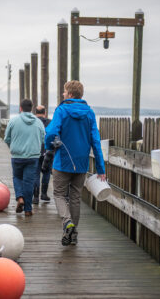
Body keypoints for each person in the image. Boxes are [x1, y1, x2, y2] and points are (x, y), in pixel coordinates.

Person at [44, 81, 106, 246]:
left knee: (58, 194)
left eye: (64, 92)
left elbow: (50, 132)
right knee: (76, 197)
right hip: (81, 164)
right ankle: (73, 235)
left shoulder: (62, 110)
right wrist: (100, 168)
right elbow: (96, 142)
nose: (63, 95)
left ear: (70, 94)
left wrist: (49, 146)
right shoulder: (90, 113)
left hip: (62, 161)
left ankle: (67, 222)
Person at [4, 99, 45, 216]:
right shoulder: (38, 122)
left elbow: (6, 139)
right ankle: (28, 209)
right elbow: (43, 139)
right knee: (29, 182)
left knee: (17, 177)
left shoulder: (13, 121)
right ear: (32, 108)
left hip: (17, 156)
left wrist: (13, 147)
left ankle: (20, 197)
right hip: (33, 157)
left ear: (20, 108)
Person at [33, 105, 52, 204]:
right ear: (45, 112)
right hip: (47, 151)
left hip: (35, 151)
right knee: (46, 172)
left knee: (36, 174)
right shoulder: (50, 122)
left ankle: (35, 197)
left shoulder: (33, 122)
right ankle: (44, 194)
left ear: (35, 112)